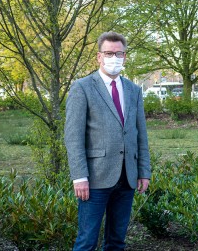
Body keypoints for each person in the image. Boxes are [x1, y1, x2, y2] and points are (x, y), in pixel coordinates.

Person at [64, 31, 151, 251]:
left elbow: (140, 134)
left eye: (119, 53)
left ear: (125, 56)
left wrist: (144, 171)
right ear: (99, 57)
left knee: (117, 242)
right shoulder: (82, 87)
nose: (114, 58)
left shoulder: (133, 90)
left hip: (127, 177)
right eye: (109, 53)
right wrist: (79, 177)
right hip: (94, 178)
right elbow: (73, 137)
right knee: (87, 241)